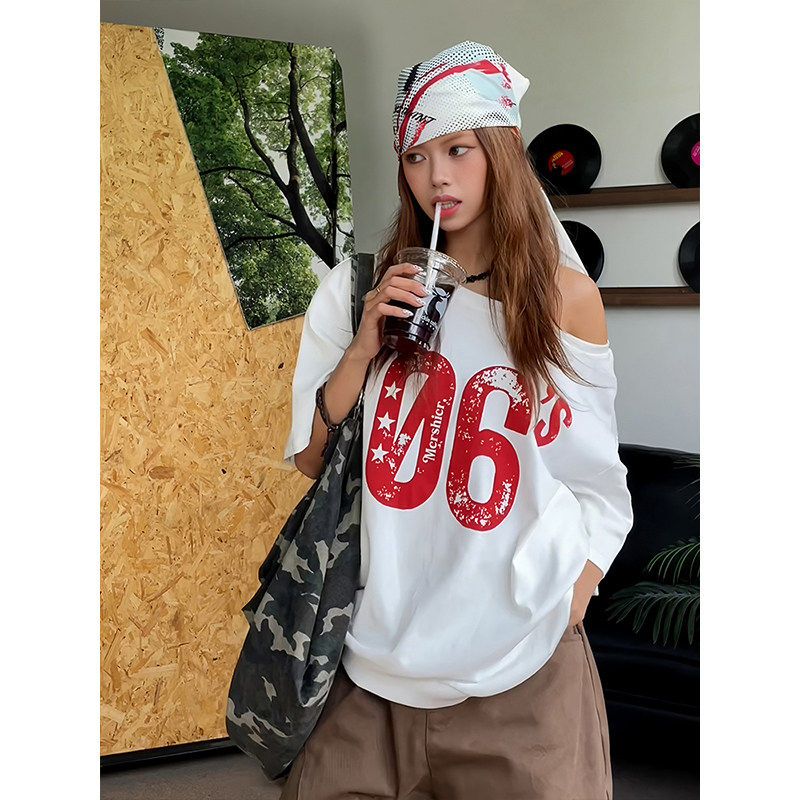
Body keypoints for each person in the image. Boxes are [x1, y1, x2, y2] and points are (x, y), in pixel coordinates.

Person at [280, 40, 633, 800]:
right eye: (415, 155)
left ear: (500, 152)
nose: (437, 175)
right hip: (371, 665)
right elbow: (311, 460)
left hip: (521, 670)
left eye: (458, 149)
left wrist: (572, 595)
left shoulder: (563, 302)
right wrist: (363, 349)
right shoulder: (354, 291)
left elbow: (597, 481)